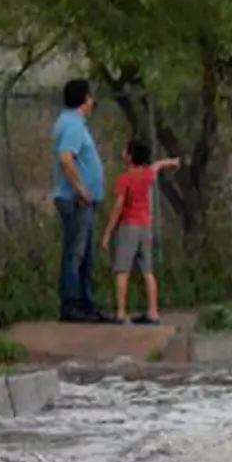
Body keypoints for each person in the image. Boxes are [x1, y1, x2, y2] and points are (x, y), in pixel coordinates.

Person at [100, 139, 180, 324]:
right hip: (146, 226)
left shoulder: (124, 179)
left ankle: (121, 313)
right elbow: (158, 165)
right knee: (147, 270)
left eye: (125, 151)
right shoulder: (147, 175)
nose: (122, 153)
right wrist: (173, 162)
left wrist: (108, 232)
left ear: (130, 156)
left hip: (129, 226)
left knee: (123, 270)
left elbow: (118, 207)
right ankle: (153, 312)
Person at [52, 78, 108, 323]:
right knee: (75, 254)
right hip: (76, 201)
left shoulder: (74, 123)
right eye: (90, 97)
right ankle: (72, 304)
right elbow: (66, 158)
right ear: (83, 100)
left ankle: (86, 304)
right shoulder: (72, 125)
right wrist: (81, 188)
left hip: (82, 201)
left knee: (85, 255)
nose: (93, 101)